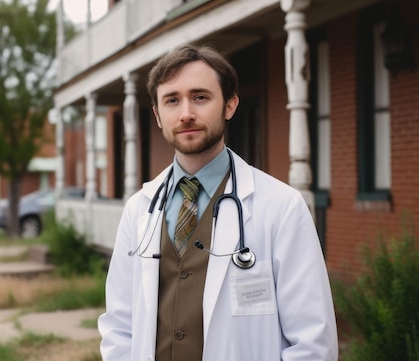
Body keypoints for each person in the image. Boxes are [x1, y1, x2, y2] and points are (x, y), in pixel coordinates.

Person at [98, 44, 338, 361]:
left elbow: (313, 341)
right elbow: (119, 327)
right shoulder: (139, 209)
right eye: (172, 100)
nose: (186, 113)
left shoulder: (281, 207)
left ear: (229, 105)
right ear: (157, 115)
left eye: (200, 97)